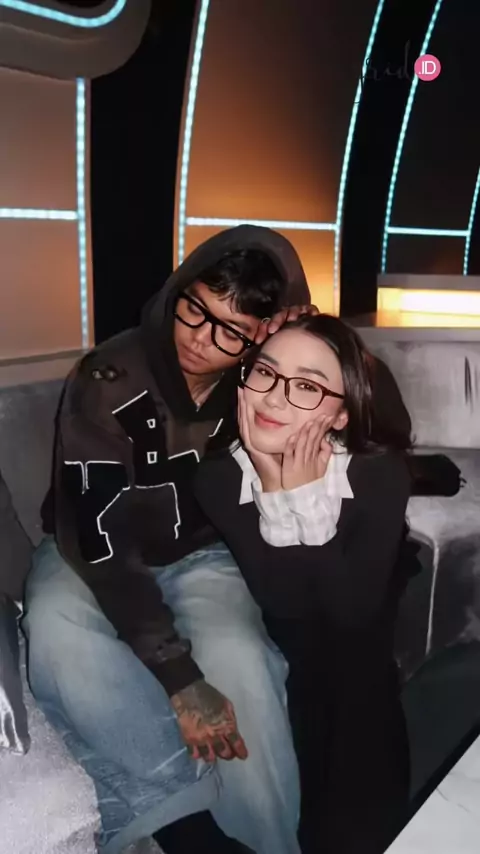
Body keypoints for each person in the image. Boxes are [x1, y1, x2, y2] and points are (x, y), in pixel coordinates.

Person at [22, 226, 315, 854]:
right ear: (179, 289)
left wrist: (306, 334)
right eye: (195, 309)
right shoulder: (109, 376)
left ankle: (267, 842)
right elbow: (94, 534)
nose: (200, 338)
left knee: (242, 660)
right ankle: (185, 812)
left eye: (230, 331)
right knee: (53, 629)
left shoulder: (263, 378)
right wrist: (179, 678)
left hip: (201, 552)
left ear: (260, 336)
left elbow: (346, 403)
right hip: (91, 547)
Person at [195, 313, 414, 854]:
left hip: (362, 655)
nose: (274, 397)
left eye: (308, 386)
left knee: (358, 684)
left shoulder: (378, 472)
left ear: (340, 413)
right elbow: (286, 606)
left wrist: (306, 500)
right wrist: (276, 488)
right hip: (295, 658)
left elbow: (353, 614)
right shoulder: (219, 476)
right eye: (265, 372)